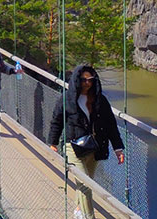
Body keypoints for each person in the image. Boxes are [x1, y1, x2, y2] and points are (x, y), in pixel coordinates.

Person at [47, 65, 124, 219]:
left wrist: (118, 148)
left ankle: (79, 210)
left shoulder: (100, 100)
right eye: (83, 80)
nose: (87, 83)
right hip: (73, 147)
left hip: (94, 147)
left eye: (90, 80)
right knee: (85, 184)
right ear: (77, 80)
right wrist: (52, 143)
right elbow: (57, 121)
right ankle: (89, 216)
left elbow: (110, 125)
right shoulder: (66, 99)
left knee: (85, 183)